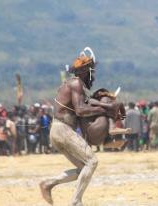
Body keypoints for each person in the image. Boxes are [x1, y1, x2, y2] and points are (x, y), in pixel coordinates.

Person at [39, 47, 123, 206]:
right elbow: (81, 110)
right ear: (84, 70)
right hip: (62, 129)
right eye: (91, 70)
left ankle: (48, 183)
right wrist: (104, 108)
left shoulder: (72, 84)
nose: (93, 74)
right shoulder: (76, 83)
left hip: (58, 130)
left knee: (83, 168)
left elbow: (82, 107)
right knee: (92, 162)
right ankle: (76, 202)